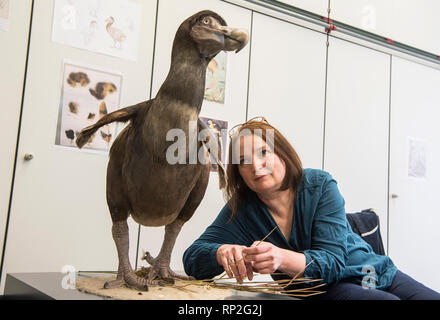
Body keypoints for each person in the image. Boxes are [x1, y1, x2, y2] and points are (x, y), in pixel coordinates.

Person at [182, 117, 440, 300]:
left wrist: (281, 258)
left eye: (263, 152)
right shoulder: (241, 209)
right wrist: (220, 252)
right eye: (243, 161)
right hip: (319, 288)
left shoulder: (319, 184)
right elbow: (192, 258)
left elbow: (334, 262)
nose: (255, 165)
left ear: (282, 153)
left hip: (371, 270)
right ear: (238, 173)